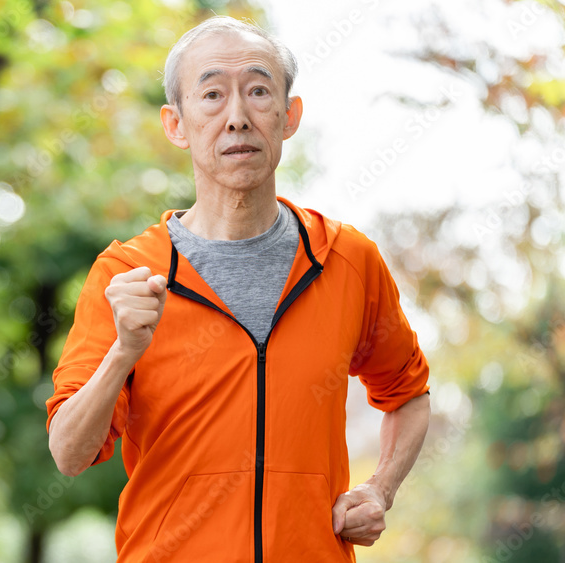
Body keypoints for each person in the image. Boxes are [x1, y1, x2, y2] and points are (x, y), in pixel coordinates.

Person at [45, 15, 431, 562]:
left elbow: (409, 394)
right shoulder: (127, 273)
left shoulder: (348, 261)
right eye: (211, 95)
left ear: (289, 116)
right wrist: (123, 353)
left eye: (257, 91)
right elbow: (69, 453)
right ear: (175, 124)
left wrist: (380, 489)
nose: (237, 118)